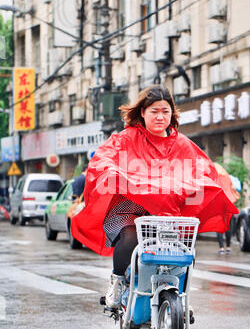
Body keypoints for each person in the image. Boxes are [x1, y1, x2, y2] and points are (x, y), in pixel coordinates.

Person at [71, 85, 238, 308]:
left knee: (184, 247)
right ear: (142, 112)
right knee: (130, 237)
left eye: (165, 111)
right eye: (154, 111)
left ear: (172, 113)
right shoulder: (125, 139)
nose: (160, 117)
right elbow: (104, 160)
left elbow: (203, 170)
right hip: (130, 209)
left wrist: (203, 186)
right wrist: (111, 173)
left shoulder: (183, 145)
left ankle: (179, 294)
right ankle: (118, 282)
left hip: (169, 214)